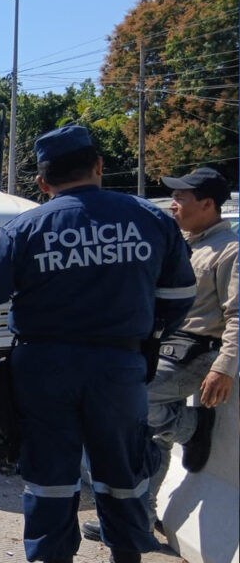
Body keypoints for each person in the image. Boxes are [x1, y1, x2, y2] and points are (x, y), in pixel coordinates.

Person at [0, 126, 196, 563]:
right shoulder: (151, 218)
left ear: (42, 183)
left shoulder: (25, 227)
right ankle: (127, 554)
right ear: (99, 166)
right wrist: (144, 333)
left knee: (49, 477)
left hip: (43, 370)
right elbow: (179, 298)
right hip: (120, 365)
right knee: (123, 472)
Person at [82, 167, 238, 541]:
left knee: (131, 400)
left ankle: (192, 427)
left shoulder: (230, 250)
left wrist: (225, 367)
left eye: (181, 198)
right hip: (161, 346)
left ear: (207, 204)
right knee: (151, 437)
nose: (173, 204)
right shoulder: (180, 242)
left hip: (197, 353)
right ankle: (138, 521)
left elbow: (237, 314)